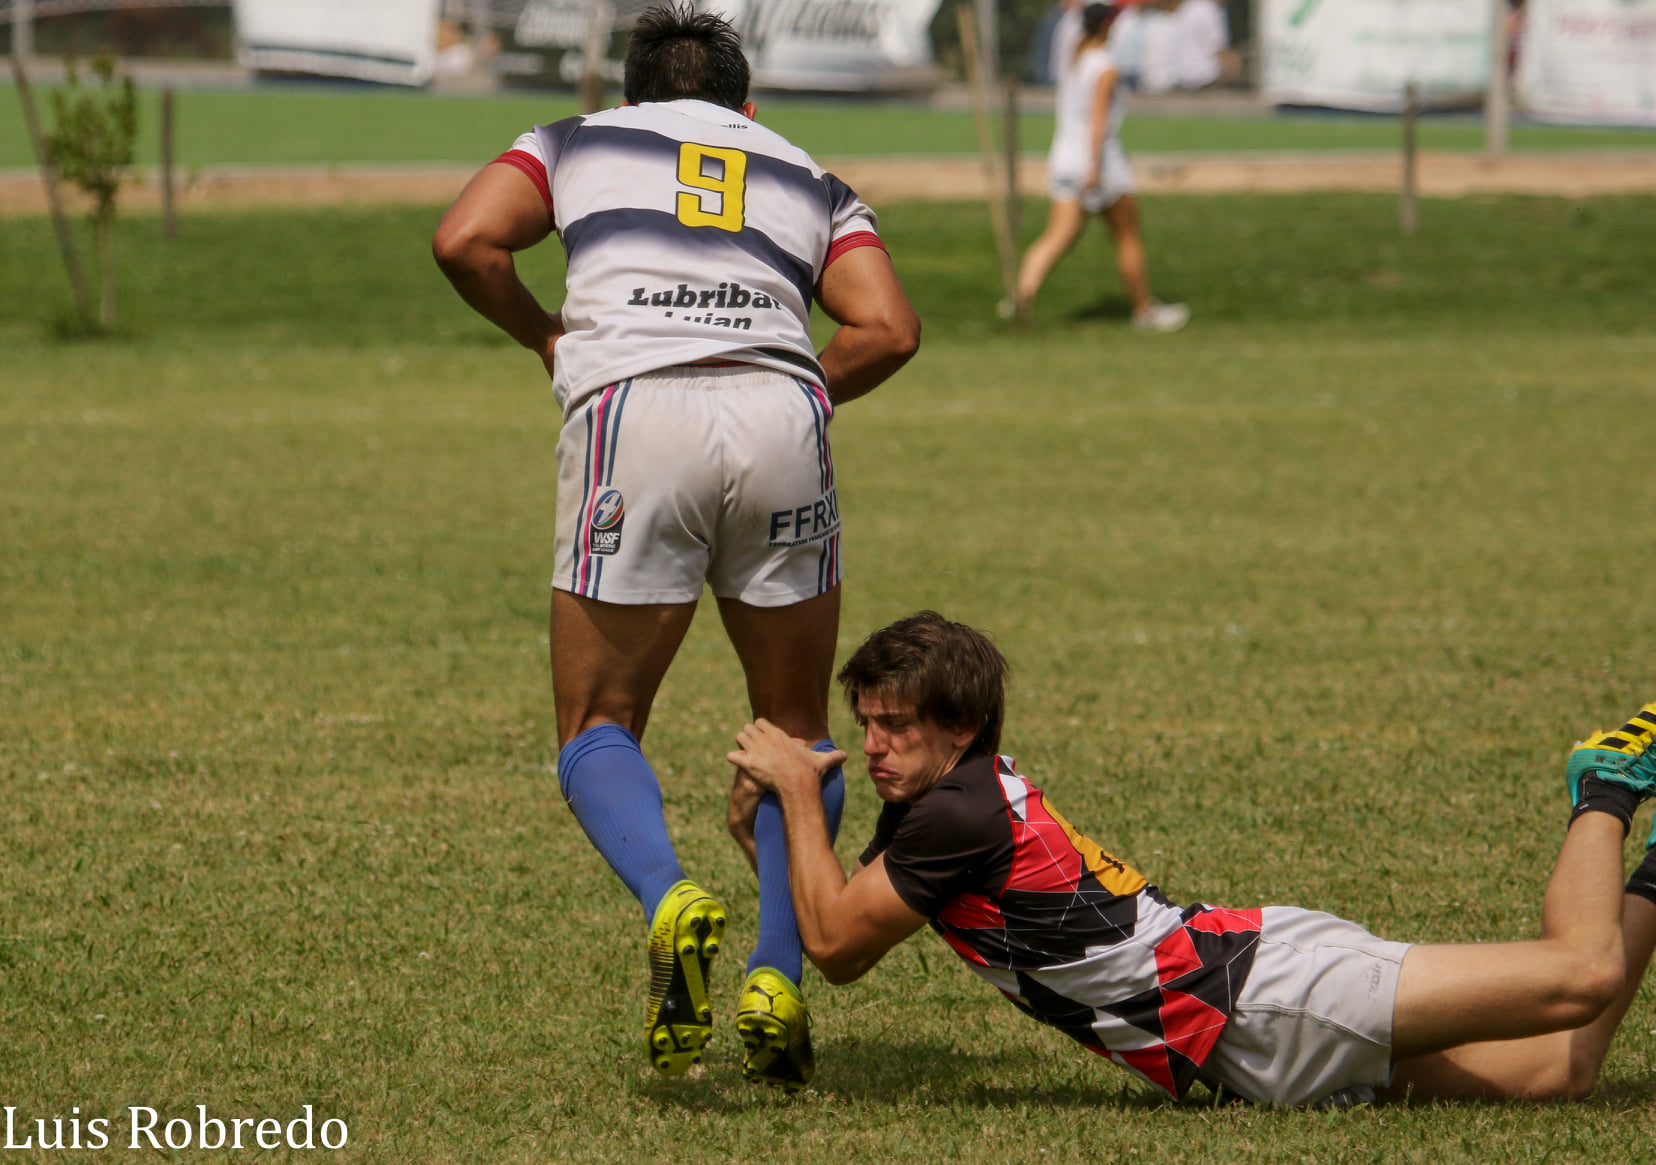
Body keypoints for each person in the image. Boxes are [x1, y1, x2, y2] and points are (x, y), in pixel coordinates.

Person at [432, 3, 920, 1091]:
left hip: (634, 412)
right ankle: (778, 976)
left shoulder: (574, 140)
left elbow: (463, 238)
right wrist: (796, 390)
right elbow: (889, 325)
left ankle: (670, 899)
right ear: (748, 109)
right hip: (781, 420)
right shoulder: (806, 170)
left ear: (627, 95)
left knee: (597, 725)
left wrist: (552, 338)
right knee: (796, 730)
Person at [727, 611, 1656, 1106]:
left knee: (1580, 975)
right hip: (1242, 1023)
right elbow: (837, 912)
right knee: (1558, 1071)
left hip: (1266, 996)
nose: (875, 747)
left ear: (960, 728)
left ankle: (1605, 781)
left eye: (896, 727)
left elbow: (838, 947)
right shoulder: (942, 804)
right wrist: (774, 828)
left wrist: (799, 797)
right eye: (867, 728)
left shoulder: (956, 816)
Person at [1010, 3, 1189, 333]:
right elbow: (1098, 122)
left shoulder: (1074, 59)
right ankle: (1144, 310)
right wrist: (1094, 168)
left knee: (1057, 237)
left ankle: (1020, 299)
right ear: (1108, 26)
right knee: (1128, 236)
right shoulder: (1105, 66)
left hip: (1063, 158)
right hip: (1100, 163)